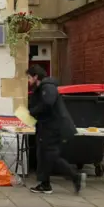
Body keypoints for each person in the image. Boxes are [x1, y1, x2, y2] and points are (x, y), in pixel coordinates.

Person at [26, 64, 86, 194]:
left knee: (51, 156)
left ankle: (76, 176)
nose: (28, 80)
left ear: (36, 77)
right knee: (42, 154)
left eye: (29, 77)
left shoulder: (48, 87)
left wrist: (33, 112)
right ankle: (45, 184)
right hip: (46, 126)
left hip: (54, 127)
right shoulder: (40, 88)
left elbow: (47, 103)